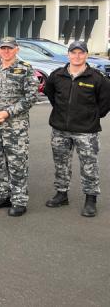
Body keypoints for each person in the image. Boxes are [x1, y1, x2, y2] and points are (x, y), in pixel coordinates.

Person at [42, 41, 110, 217]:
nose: (77, 56)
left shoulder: (96, 77)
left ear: (86, 55)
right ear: (68, 55)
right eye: (73, 53)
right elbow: (51, 95)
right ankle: (61, 194)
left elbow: (105, 102)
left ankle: (90, 199)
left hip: (86, 131)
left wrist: (92, 117)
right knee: (61, 164)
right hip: (60, 129)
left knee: (89, 166)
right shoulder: (57, 76)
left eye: (81, 53)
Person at [0, 37, 38, 217]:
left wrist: (7, 113)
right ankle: (3, 194)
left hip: (15, 127)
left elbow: (31, 97)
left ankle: (19, 200)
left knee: (17, 163)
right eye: (2, 48)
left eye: (9, 48)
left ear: (16, 49)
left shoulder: (25, 69)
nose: (5, 51)